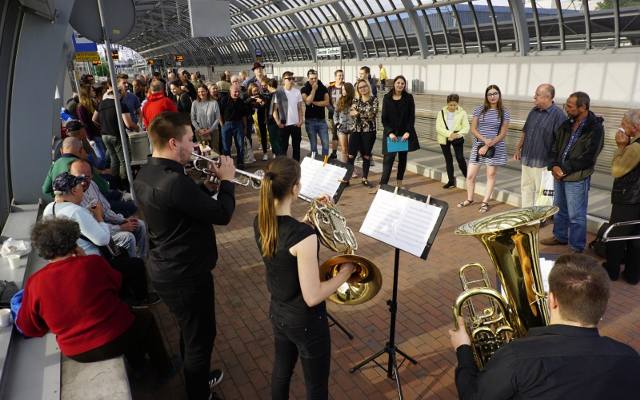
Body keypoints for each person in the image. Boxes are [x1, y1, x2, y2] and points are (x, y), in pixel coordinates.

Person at [134, 112, 236, 400]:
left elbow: (181, 204)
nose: (195, 146)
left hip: (168, 268)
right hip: (185, 274)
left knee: (189, 332)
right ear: (172, 142)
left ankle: (198, 378)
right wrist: (227, 181)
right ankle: (198, 392)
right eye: (190, 140)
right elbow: (222, 215)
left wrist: (209, 187)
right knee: (200, 339)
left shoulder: (149, 172)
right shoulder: (173, 181)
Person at [448, 253, 640, 399]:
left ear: (552, 300)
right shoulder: (630, 359)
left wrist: (463, 350)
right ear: (603, 307)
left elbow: (473, 396)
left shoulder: (515, 357)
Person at [253, 157, 355, 399]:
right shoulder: (303, 236)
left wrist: (308, 219)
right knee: (316, 386)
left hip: (279, 312)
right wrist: (346, 272)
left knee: (281, 372)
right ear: (296, 188)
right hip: (306, 321)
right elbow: (312, 296)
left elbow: (287, 242)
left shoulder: (261, 221)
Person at [17, 218, 171, 376]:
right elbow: (117, 284)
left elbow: (28, 327)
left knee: (127, 320)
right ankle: (163, 370)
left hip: (76, 352)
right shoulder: (93, 263)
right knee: (144, 319)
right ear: (73, 243)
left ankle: (139, 366)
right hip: (115, 337)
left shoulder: (35, 282)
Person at [42, 173, 152, 305]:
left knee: (122, 253)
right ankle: (140, 300)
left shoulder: (50, 208)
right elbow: (103, 239)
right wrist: (99, 217)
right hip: (90, 263)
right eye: (80, 186)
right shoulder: (76, 211)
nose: (83, 189)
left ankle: (123, 295)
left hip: (69, 262)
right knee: (135, 264)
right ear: (73, 190)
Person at [542, 91, 604, 253]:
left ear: (583, 107)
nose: (566, 109)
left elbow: (589, 157)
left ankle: (577, 247)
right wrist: (554, 165)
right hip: (559, 174)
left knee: (576, 215)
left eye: (569, 106)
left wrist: (565, 168)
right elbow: (554, 147)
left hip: (577, 177)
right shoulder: (567, 123)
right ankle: (560, 236)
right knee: (559, 208)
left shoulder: (595, 128)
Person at [69, 159, 147, 259]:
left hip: (105, 227)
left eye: (87, 177)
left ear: (92, 176)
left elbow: (106, 210)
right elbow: (96, 233)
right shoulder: (73, 198)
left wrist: (122, 220)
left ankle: (142, 260)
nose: (83, 182)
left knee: (140, 225)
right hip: (94, 237)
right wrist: (121, 227)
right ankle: (132, 267)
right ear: (71, 177)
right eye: (79, 178)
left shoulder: (92, 184)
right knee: (127, 237)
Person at [458, 85, 510, 214]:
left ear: (499, 95)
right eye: (490, 94)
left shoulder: (504, 112)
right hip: (479, 146)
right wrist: (484, 140)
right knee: (470, 176)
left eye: (495, 93)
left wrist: (488, 144)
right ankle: (470, 199)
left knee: (490, 175)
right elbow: (473, 129)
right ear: (486, 96)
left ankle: (485, 202)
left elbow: (503, 133)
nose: (492, 96)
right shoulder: (479, 110)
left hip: (495, 147)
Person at [603, 109, 640, 284]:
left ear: (636, 127)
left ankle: (612, 271)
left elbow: (617, 170)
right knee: (637, 239)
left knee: (617, 236)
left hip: (628, 200)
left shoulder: (635, 147)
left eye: (624, 124)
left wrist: (620, 147)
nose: (621, 127)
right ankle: (633, 275)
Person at [514, 84, 566, 207]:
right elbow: (525, 131)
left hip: (543, 162)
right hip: (527, 158)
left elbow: (561, 142)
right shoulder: (533, 111)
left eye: (537, 95)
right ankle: (526, 216)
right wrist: (518, 148)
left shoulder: (558, 115)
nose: (534, 97)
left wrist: (555, 163)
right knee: (525, 188)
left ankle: (538, 218)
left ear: (547, 97)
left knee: (541, 193)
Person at [93, 80, 140, 190]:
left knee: (114, 159)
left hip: (105, 135)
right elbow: (129, 124)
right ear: (117, 94)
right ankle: (125, 184)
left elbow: (93, 119)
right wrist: (137, 128)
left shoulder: (101, 104)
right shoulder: (120, 105)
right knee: (124, 160)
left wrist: (104, 124)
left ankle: (115, 183)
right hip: (117, 135)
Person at [379, 75, 419, 188]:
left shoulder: (409, 98)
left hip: (403, 134)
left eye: (402, 83)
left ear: (405, 85)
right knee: (388, 160)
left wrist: (408, 131)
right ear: (394, 84)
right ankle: (383, 185)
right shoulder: (387, 97)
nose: (400, 85)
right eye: (398, 83)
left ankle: (399, 183)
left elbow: (411, 117)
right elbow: (384, 118)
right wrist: (390, 133)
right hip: (391, 135)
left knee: (402, 159)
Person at [348, 79, 379, 187]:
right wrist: (360, 113)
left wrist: (358, 113)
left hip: (369, 132)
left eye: (364, 86)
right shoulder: (355, 100)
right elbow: (351, 112)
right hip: (356, 130)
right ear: (357, 89)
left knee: (366, 156)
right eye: (360, 87)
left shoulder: (374, 99)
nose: (363, 89)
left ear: (368, 86)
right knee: (351, 155)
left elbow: (372, 115)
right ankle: (347, 179)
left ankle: (364, 178)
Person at [436, 94, 469, 189]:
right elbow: (438, 128)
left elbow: (466, 127)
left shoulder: (462, 113)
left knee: (460, 158)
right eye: (450, 105)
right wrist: (450, 134)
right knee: (448, 159)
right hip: (444, 137)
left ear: (457, 104)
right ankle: (451, 181)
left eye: (454, 105)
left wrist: (456, 135)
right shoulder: (441, 112)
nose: (452, 107)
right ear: (447, 104)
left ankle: (468, 178)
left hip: (457, 136)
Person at [273, 71, 304, 161]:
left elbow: (299, 108)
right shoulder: (279, 92)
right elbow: (274, 109)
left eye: (292, 78)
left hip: (295, 125)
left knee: (296, 148)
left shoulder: (297, 92)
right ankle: (283, 168)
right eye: (289, 79)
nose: (291, 80)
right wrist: (278, 122)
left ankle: (296, 167)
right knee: (283, 149)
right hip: (284, 125)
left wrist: (301, 120)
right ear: (284, 80)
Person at [301, 69, 330, 157]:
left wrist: (315, 103)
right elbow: (307, 102)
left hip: (321, 120)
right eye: (311, 79)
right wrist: (313, 90)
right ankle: (315, 162)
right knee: (313, 146)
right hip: (310, 121)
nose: (314, 80)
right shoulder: (304, 89)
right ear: (308, 78)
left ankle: (325, 163)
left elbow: (326, 102)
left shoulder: (323, 88)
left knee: (326, 144)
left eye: (315, 78)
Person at [220, 86, 248, 168]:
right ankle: (228, 164)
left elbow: (244, 116)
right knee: (226, 146)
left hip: (238, 124)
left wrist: (245, 127)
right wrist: (222, 125)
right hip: (227, 125)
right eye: (235, 91)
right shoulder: (224, 100)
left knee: (240, 145)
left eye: (238, 92)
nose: (237, 93)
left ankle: (240, 163)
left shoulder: (241, 101)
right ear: (230, 90)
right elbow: (219, 113)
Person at [191, 84, 221, 153]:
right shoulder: (195, 103)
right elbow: (193, 119)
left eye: (203, 91)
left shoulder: (214, 103)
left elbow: (217, 118)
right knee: (203, 151)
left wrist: (210, 130)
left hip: (213, 131)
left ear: (207, 91)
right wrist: (199, 129)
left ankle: (215, 164)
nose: (201, 93)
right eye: (199, 92)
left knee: (215, 151)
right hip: (200, 131)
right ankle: (204, 164)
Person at [333, 82, 356, 165]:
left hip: (352, 129)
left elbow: (357, 115)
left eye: (344, 90)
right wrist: (338, 124)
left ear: (349, 90)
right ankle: (344, 168)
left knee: (351, 151)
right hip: (341, 129)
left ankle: (351, 169)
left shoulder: (355, 101)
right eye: (342, 89)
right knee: (343, 150)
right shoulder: (339, 101)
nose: (342, 91)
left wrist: (354, 125)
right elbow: (335, 115)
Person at [327, 70, 345, 160]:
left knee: (344, 134)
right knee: (334, 134)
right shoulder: (330, 88)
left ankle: (345, 152)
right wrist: (333, 110)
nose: (341, 77)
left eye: (342, 75)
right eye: (339, 75)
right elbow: (327, 102)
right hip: (333, 115)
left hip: (344, 116)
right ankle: (334, 153)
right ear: (335, 76)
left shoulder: (346, 87)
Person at [266, 78, 283, 157]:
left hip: (273, 121)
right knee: (279, 140)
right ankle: (278, 155)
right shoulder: (280, 94)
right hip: (281, 119)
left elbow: (274, 110)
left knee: (274, 140)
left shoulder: (272, 95)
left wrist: (278, 121)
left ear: (269, 86)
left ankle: (279, 157)